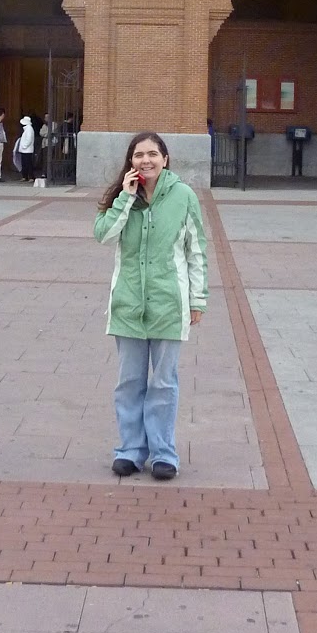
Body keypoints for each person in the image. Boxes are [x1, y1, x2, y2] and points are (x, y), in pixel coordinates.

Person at [93, 132, 208, 481]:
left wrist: (197, 299)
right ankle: (129, 450)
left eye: (153, 154)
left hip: (168, 303)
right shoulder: (123, 198)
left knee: (163, 383)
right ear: (131, 162)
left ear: (165, 159)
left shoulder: (184, 197)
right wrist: (125, 200)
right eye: (139, 155)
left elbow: (196, 251)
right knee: (129, 382)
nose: (146, 160)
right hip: (128, 304)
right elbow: (103, 234)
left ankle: (163, 453)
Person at [18, 113, 36, 182]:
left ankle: (30, 176)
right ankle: (25, 176)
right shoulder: (27, 129)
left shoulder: (29, 129)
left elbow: (29, 139)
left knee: (28, 163)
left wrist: (24, 146)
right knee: (25, 163)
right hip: (25, 150)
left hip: (27, 150)